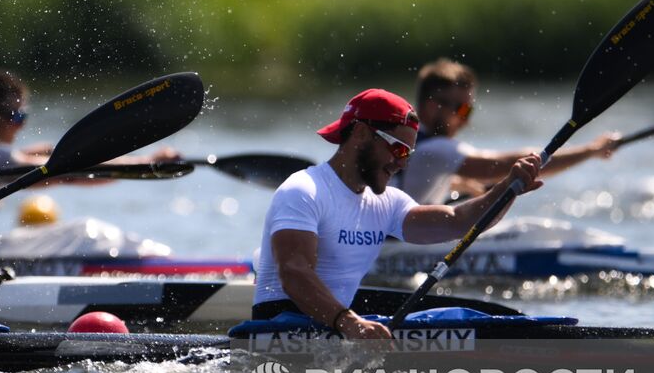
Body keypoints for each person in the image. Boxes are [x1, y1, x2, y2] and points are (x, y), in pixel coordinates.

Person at [253, 88, 542, 340]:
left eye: (409, 154)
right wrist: (351, 323)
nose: (401, 164)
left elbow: (460, 222)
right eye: (398, 150)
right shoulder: (304, 190)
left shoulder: (387, 204)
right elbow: (294, 274)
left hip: (333, 327)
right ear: (362, 134)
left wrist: (508, 189)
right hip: (277, 328)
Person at [0, 69, 178, 245]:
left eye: (24, 116)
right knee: (84, 234)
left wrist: (38, 152)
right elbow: (68, 174)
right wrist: (147, 164)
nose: (21, 125)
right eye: (15, 117)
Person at [396, 57, 618, 204]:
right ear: (434, 106)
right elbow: (506, 165)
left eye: (469, 110)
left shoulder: (407, 140)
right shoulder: (437, 149)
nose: (466, 120)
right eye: (462, 109)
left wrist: (458, 183)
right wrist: (592, 150)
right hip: (402, 246)